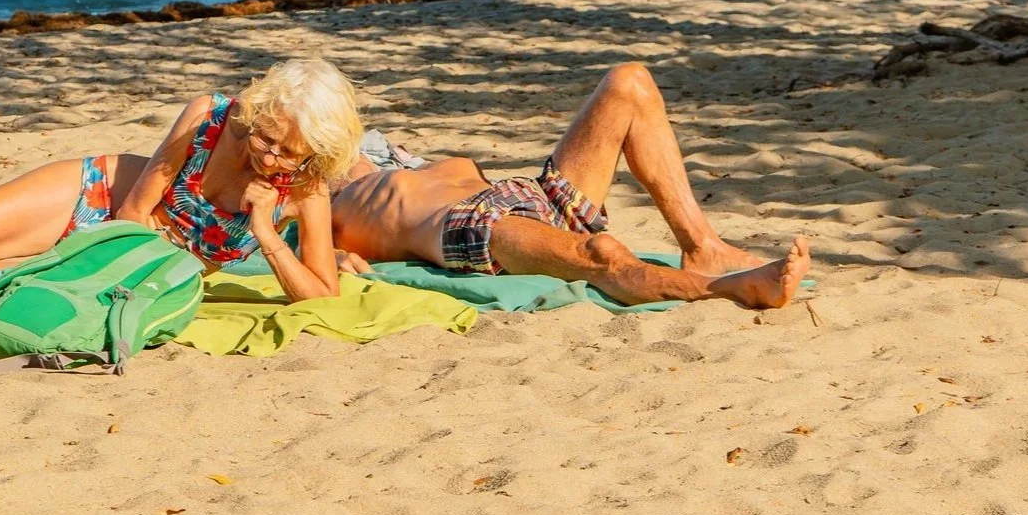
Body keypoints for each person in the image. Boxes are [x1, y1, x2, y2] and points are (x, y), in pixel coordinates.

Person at [0, 56, 363, 311]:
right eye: (264, 137)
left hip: (130, 267)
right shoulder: (211, 117)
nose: (269, 156)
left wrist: (267, 233)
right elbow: (133, 213)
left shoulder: (306, 189)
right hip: (99, 200)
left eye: (287, 152)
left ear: (315, 151)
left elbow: (323, 296)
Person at [332, 63, 808, 310]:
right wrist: (332, 255)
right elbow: (295, 236)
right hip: (471, 226)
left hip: (528, 196)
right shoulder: (315, 182)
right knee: (602, 254)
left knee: (629, 81)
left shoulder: (393, 155)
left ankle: (703, 247)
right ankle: (725, 288)